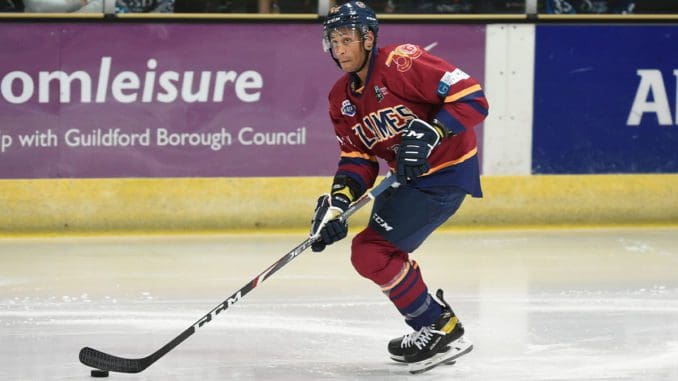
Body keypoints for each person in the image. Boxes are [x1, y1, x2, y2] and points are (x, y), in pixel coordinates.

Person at [309, 0, 488, 374]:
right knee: (373, 251)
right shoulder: (339, 97)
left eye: (347, 39)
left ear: (369, 38)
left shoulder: (401, 62)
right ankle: (435, 323)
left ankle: (437, 327)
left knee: (371, 251)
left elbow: (472, 96)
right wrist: (338, 204)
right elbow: (358, 158)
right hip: (406, 178)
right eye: (333, 41)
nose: (339, 50)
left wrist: (433, 129)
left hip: (444, 174)